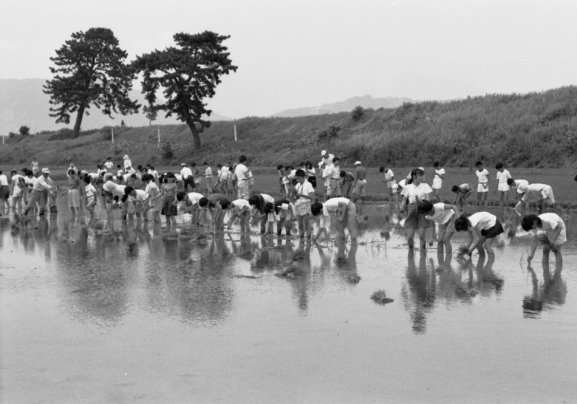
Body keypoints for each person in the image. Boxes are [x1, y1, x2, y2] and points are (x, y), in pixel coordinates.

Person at [400, 168, 433, 250]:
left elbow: (428, 199)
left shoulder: (425, 186)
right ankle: (411, 252)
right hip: (411, 210)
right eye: (420, 175)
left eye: (422, 175)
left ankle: (423, 253)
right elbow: (404, 200)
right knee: (410, 237)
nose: (422, 177)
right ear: (414, 176)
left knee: (421, 235)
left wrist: (423, 203)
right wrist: (402, 208)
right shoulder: (407, 187)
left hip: (422, 210)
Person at [294, 169, 315, 239]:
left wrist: (301, 195)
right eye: (297, 179)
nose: (298, 180)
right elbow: (295, 195)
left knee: (306, 225)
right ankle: (301, 240)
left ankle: (308, 240)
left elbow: (311, 197)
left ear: (303, 177)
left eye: (299, 178)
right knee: (300, 225)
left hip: (305, 205)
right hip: (297, 205)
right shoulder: (297, 185)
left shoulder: (308, 185)